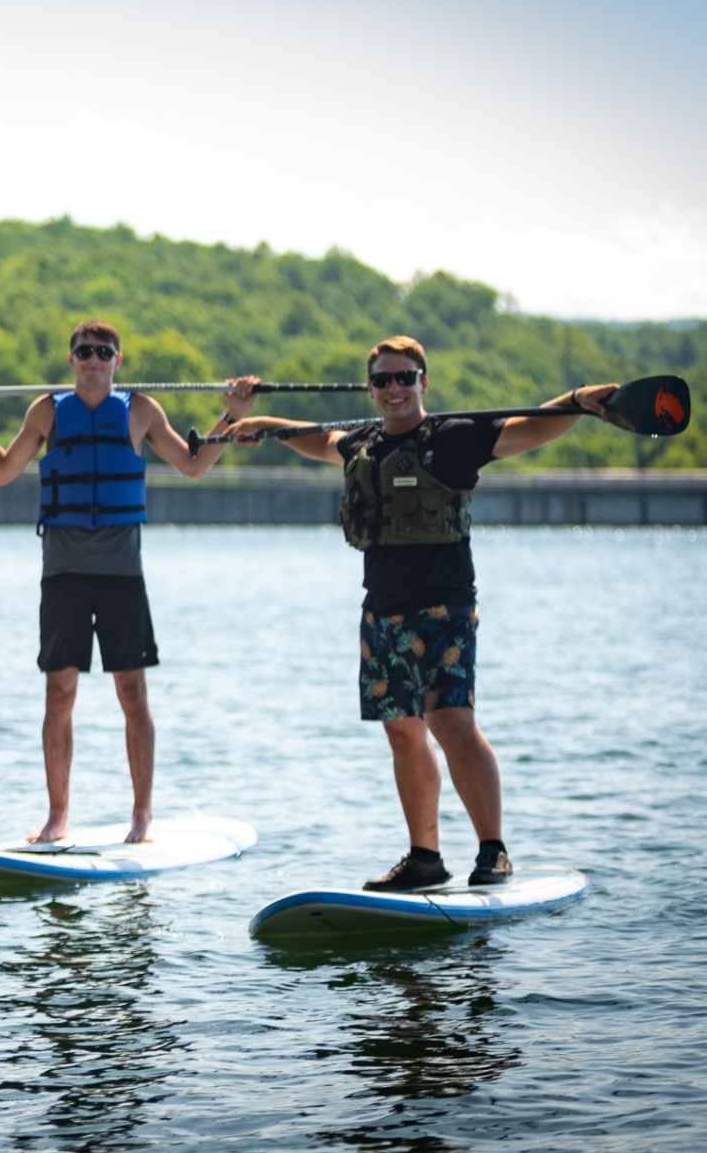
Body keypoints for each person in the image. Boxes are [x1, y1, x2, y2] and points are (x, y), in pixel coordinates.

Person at [229, 335, 618, 889]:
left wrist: (577, 400)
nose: (394, 388)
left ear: (423, 382)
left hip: (444, 607)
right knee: (403, 732)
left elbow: (530, 429)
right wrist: (265, 422)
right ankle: (425, 858)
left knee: (452, 723)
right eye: (383, 380)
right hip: (381, 612)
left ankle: (493, 851)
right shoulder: (364, 444)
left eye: (404, 377)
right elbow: (319, 440)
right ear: (371, 387)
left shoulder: (454, 438)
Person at [0, 319, 259, 844]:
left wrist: (232, 416)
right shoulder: (47, 411)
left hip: (120, 575)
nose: (93, 359)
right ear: (72, 361)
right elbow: (0, 471)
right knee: (58, 694)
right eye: (84, 351)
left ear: (118, 360)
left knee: (132, 693)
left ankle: (142, 815)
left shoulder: (140, 411)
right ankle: (59, 815)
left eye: (103, 352)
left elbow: (193, 464)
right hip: (64, 572)